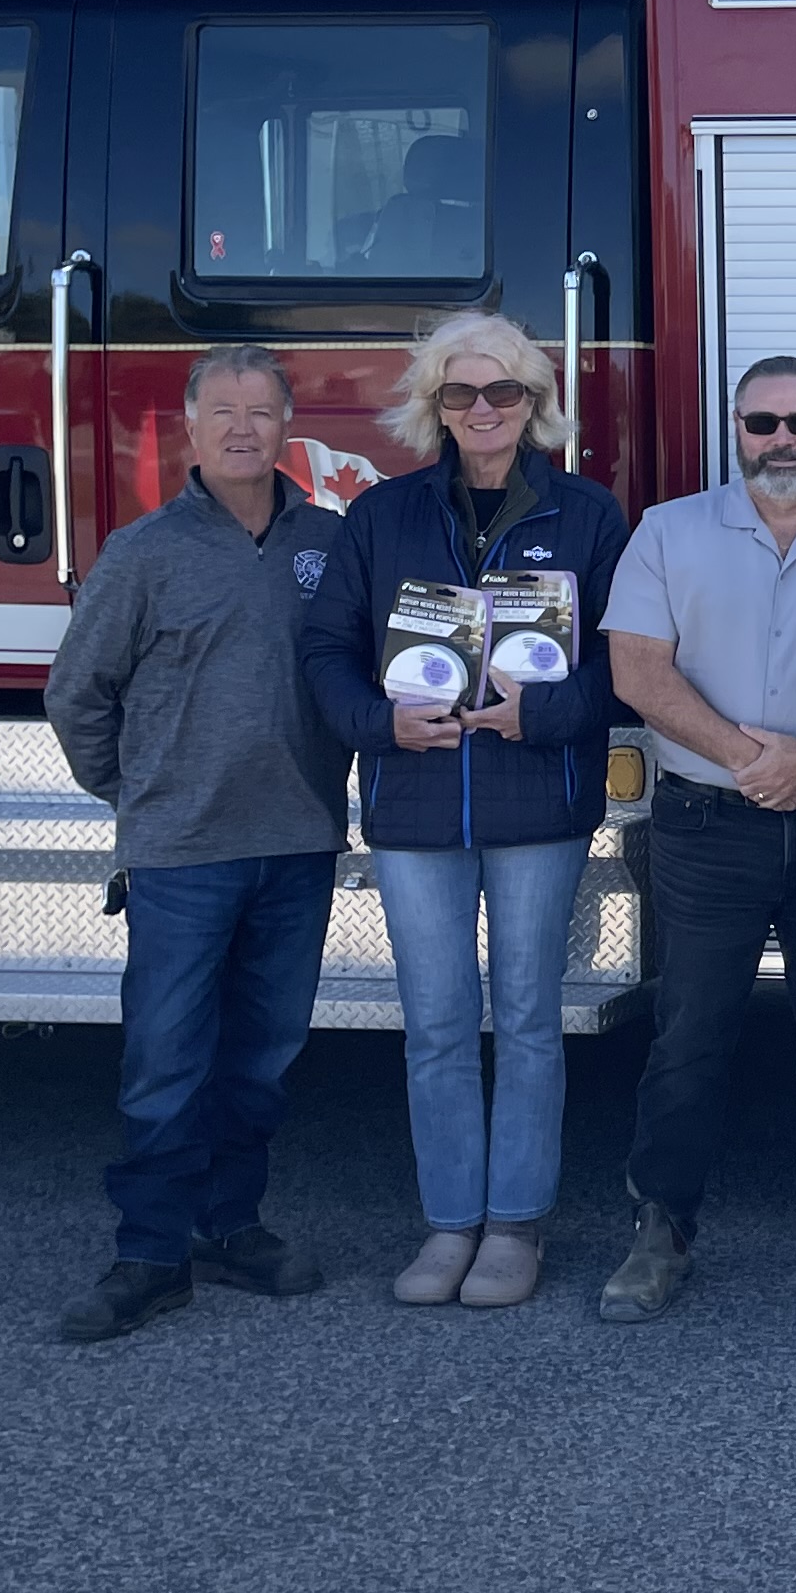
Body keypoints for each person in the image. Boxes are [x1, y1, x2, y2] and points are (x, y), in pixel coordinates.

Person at [297, 310, 628, 1312]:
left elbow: (627, 664)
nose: (482, 411)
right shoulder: (382, 515)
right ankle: (450, 1223)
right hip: (415, 802)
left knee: (527, 1020)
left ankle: (515, 1227)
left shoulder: (588, 515)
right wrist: (379, 727)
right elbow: (325, 653)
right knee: (438, 1023)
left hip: (542, 803)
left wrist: (547, 713)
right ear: (433, 405)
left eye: (503, 392)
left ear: (534, 403)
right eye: (460, 393)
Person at [595, 359, 796, 1321]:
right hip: (707, 822)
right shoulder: (668, 533)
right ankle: (662, 1227)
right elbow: (638, 674)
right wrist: (754, 760)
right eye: (762, 421)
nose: (782, 439)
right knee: (690, 1032)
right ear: (735, 428)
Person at [42, 346, 348, 1343]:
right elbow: (77, 694)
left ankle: (230, 1226)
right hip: (183, 853)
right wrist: (137, 795)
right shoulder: (143, 553)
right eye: (223, 410)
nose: (243, 427)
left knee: (261, 1057)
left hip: (298, 843)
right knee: (168, 1058)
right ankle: (149, 1253)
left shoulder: (330, 544)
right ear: (189, 427)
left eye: (261, 410)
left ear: (288, 424)